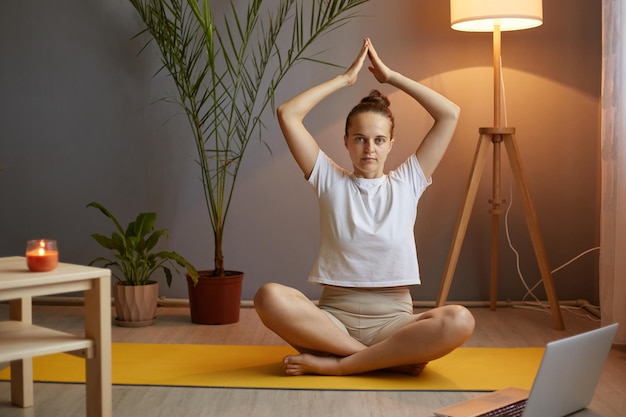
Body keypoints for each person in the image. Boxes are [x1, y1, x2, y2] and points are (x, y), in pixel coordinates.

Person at [254, 38, 475, 377]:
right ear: (345, 141)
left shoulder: (408, 182)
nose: (369, 148)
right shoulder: (328, 178)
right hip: (332, 326)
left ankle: (339, 367)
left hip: (394, 324)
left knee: (460, 319)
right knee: (268, 297)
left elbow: (450, 114)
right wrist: (344, 80)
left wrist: (392, 77)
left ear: (390, 144)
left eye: (379, 140)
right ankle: (378, 360)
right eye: (359, 138)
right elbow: (288, 113)